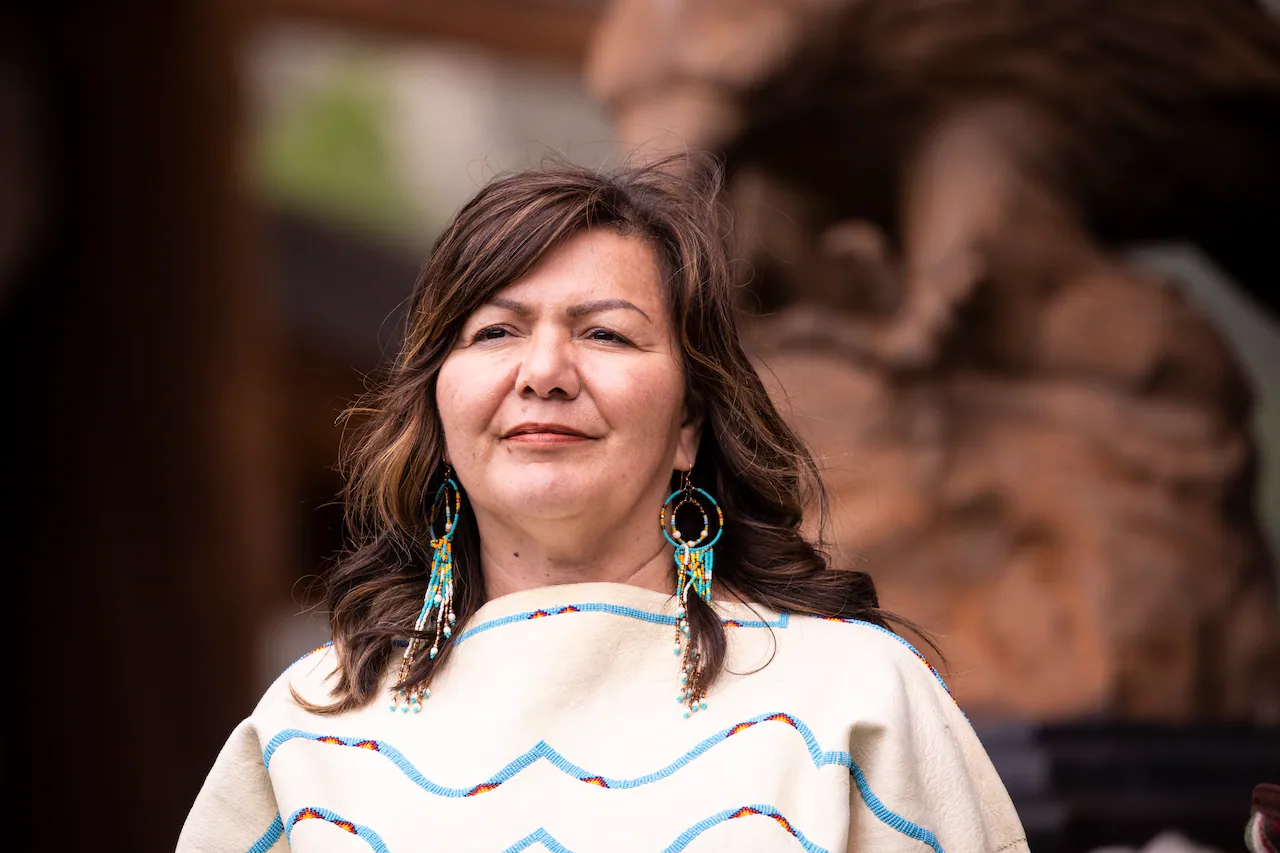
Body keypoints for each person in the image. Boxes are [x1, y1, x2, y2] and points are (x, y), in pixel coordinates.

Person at [177, 156, 1029, 853]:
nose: (543, 372)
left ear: (691, 420)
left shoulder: (858, 699)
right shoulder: (309, 725)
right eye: (496, 332)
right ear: (438, 408)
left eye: (606, 333)